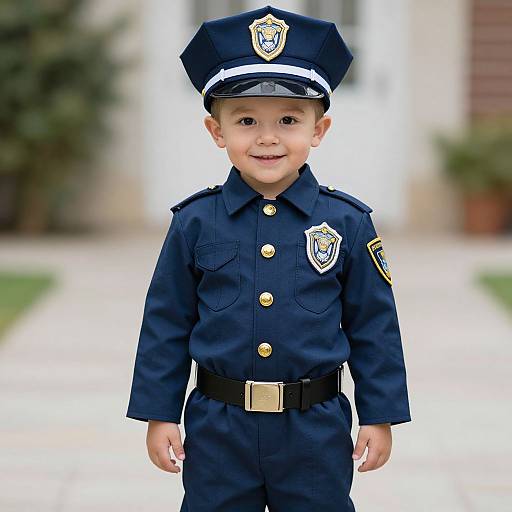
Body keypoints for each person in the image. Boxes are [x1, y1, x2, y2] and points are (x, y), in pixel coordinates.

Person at [126, 5, 411, 511]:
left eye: (288, 119)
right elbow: (166, 322)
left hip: (315, 429)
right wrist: (158, 413)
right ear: (217, 131)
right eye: (245, 120)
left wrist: (379, 414)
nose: (267, 137)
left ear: (318, 130)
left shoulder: (347, 223)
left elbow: (374, 326)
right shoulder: (195, 221)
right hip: (218, 427)